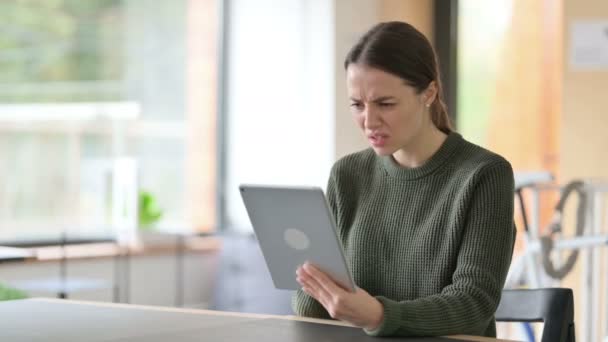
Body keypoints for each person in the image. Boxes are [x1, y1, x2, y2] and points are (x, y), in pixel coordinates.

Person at [292, 21, 516, 338]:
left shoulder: (484, 175)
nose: (369, 121)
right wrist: (314, 286)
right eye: (357, 105)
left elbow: (473, 304)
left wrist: (380, 315)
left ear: (429, 92)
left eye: (385, 103)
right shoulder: (347, 176)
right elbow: (310, 308)